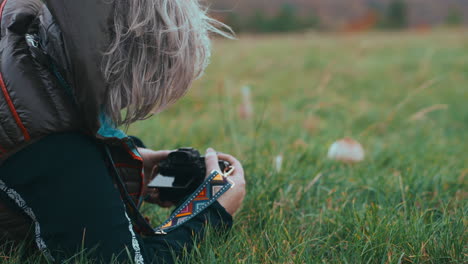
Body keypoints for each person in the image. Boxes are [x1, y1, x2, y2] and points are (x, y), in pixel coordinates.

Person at [0, 0, 246, 263]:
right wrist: (213, 210)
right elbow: (125, 259)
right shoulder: (55, 148)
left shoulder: (19, 33)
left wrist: (130, 164)